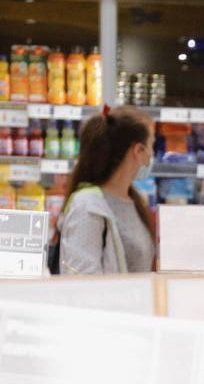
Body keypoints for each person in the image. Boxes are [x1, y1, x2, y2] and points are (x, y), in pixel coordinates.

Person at [56, 106, 157, 274]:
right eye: (151, 145)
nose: (151, 155)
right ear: (138, 151)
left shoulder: (135, 201)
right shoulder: (87, 206)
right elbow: (82, 282)